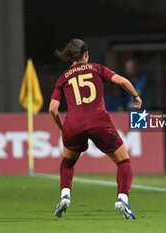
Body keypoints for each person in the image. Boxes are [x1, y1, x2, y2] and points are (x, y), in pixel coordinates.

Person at [49, 39, 142, 219]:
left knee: (68, 161)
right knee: (123, 161)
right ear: (86, 55)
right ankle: (122, 199)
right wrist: (135, 95)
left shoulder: (63, 77)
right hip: (99, 122)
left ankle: (65, 195)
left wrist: (62, 129)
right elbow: (122, 81)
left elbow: (52, 108)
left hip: (73, 125)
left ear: (71, 58)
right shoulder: (97, 68)